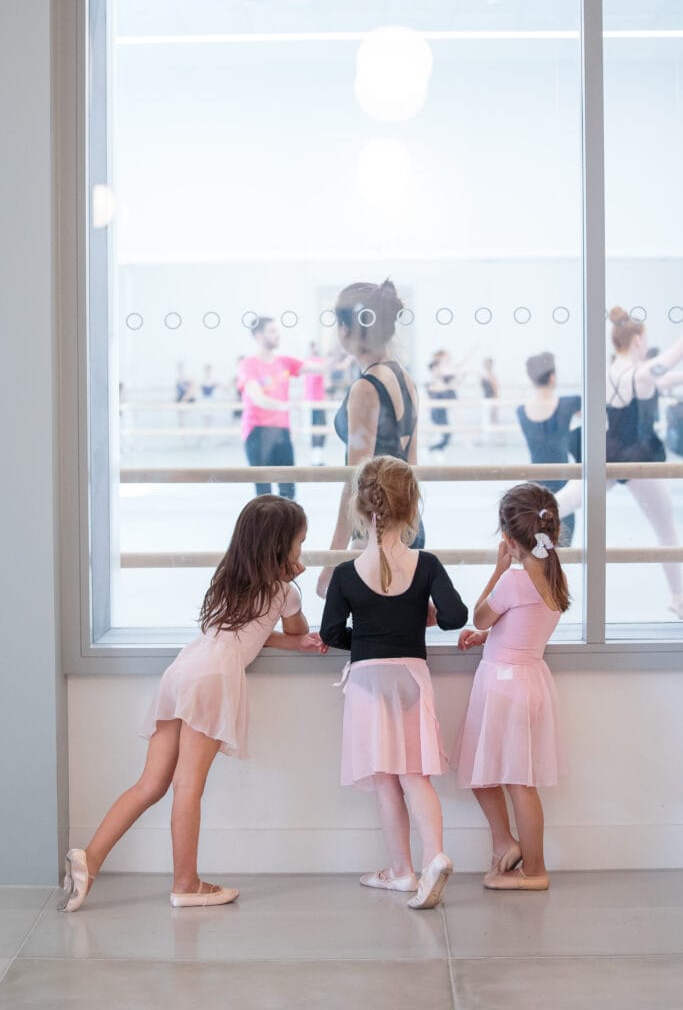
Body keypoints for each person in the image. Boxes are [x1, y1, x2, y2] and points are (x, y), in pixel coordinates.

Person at [57, 496, 327, 913]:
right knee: (188, 785)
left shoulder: (226, 579)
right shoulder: (284, 590)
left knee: (150, 783)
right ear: (281, 549)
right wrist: (297, 615)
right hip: (215, 678)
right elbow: (296, 626)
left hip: (184, 669)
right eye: (299, 545)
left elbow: (244, 631)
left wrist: (288, 638)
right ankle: (186, 883)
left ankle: (89, 860)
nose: (300, 554)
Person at [320, 457, 468, 909]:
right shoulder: (426, 565)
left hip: (367, 680)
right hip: (410, 677)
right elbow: (456, 617)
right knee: (415, 774)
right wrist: (423, 618)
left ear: (360, 512)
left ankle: (401, 872)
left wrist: (365, 639)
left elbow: (329, 634)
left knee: (385, 780)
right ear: (411, 510)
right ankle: (435, 855)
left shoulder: (346, 574)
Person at [454, 483, 569, 891]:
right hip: (526, 677)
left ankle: (534, 871)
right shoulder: (554, 577)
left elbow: (480, 615)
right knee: (495, 775)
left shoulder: (515, 581)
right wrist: (491, 638)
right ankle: (508, 845)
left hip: (506, 683)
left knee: (516, 780)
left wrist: (498, 568)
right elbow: (523, 626)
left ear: (507, 537)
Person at [555, 306, 683, 617]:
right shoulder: (641, 373)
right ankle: (679, 598)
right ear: (638, 340)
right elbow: (667, 363)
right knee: (666, 529)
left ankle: (522, 522)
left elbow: (665, 378)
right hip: (638, 456)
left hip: (609, 451)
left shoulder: (610, 372)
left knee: (566, 500)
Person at [316, 279, 422, 598]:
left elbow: (355, 482)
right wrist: (409, 529)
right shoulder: (406, 378)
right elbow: (411, 467)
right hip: (403, 527)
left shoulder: (366, 388)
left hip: (375, 534)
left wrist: (332, 561)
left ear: (348, 329)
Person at [516, 352, 581, 545]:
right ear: (552, 377)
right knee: (561, 546)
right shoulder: (569, 403)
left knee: (536, 548)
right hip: (562, 483)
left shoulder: (521, 410)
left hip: (534, 486)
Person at [236, 317, 304, 499]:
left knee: (288, 490)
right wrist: (284, 405)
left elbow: (321, 368)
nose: (277, 334)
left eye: (277, 330)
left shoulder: (285, 361)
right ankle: (266, 527)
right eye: (272, 331)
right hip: (257, 431)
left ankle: (289, 527)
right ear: (259, 335)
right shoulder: (247, 365)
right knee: (264, 493)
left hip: (281, 431)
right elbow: (257, 397)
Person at [426, 350, 458, 452]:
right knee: (444, 434)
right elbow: (436, 389)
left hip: (442, 413)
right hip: (436, 414)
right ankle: (434, 448)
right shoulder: (431, 383)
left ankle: (435, 448)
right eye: (436, 369)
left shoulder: (442, 380)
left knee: (448, 435)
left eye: (439, 368)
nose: (438, 370)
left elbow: (449, 387)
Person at [303, 341, 328, 467]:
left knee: (317, 430)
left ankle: (316, 458)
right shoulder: (316, 362)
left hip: (313, 400)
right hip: (315, 401)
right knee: (318, 429)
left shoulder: (308, 361)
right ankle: (316, 459)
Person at [480, 357, 499, 427]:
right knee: (487, 417)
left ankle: (496, 433)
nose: (486, 365)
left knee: (493, 417)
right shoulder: (482, 376)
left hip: (492, 398)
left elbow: (495, 389)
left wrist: (497, 399)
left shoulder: (492, 376)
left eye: (488, 364)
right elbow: (483, 387)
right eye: (485, 364)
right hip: (486, 398)